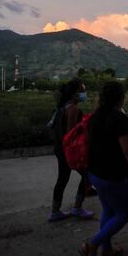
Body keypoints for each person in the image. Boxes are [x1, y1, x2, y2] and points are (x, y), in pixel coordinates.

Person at [79, 81, 128, 256]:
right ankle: (92, 245)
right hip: (112, 176)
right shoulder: (120, 119)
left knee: (109, 211)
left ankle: (108, 249)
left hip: (95, 173)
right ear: (121, 97)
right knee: (124, 213)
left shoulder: (95, 117)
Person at [49, 78, 94, 222]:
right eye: (82, 91)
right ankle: (77, 207)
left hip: (60, 149)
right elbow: (71, 134)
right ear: (74, 94)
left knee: (62, 179)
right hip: (69, 151)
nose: (84, 93)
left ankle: (55, 211)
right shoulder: (73, 109)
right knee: (88, 175)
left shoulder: (61, 107)